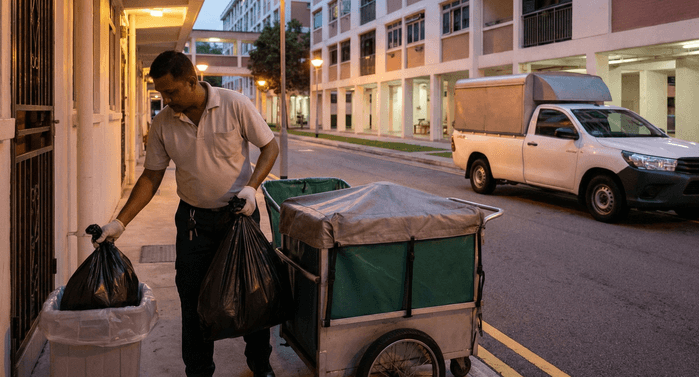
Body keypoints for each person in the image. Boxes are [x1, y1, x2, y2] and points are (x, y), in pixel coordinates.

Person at [95, 50, 279, 377]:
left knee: (252, 297)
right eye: (161, 93)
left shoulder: (234, 103)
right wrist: (120, 223)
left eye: (171, 92)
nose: (165, 100)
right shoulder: (163, 123)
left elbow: (270, 147)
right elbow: (151, 176)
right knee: (192, 305)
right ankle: (198, 371)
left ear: (192, 81)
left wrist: (252, 188)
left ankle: (261, 367)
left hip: (240, 218)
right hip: (194, 223)